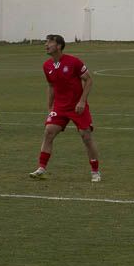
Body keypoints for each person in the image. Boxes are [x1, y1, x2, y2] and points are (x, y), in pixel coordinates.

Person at [28, 34, 100, 182]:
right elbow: (51, 86)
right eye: (46, 42)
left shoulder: (74, 62)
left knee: (86, 136)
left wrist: (82, 101)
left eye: (50, 42)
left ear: (59, 46)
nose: (46, 45)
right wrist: (50, 106)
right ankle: (41, 168)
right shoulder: (46, 66)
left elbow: (88, 80)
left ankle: (95, 171)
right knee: (48, 132)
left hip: (77, 106)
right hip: (60, 106)